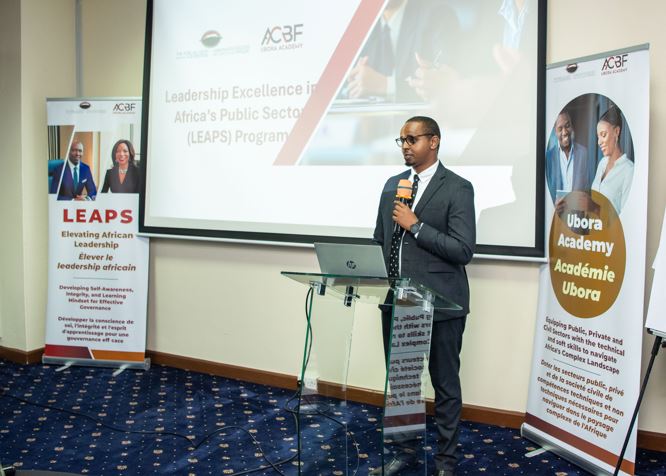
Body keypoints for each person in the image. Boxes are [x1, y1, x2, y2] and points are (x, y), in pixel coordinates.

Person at [371, 116, 475, 476]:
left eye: (412, 139)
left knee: (445, 385)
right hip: (399, 303)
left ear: (434, 141)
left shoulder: (458, 188)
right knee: (402, 385)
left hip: (442, 304)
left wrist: (415, 225)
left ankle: (446, 462)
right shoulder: (392, 186)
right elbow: (380, 240)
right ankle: (404, 451)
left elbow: (463, 249)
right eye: (401, 140)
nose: (405, 146)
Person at [345, 0, 459, 102]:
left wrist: (385, 85)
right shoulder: (358, 22)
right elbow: (342, 88)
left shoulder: (438, 14)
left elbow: (446, 84)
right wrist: (354, 85)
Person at [545, 110, 595, 203]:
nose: (564, 132)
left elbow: (588, 188)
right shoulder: (548, 158)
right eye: (560, 128)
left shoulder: (583, 153)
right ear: (555, 131)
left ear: (571, 126)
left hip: (577, 215)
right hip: (553, 214)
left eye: (567, 126)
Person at [591, 107, 634, 214]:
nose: (599, 142)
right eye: (598, 137)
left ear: (616, 131)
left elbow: (627, 216)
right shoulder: (602, 163)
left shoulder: (628, 170)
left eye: (603, 135)